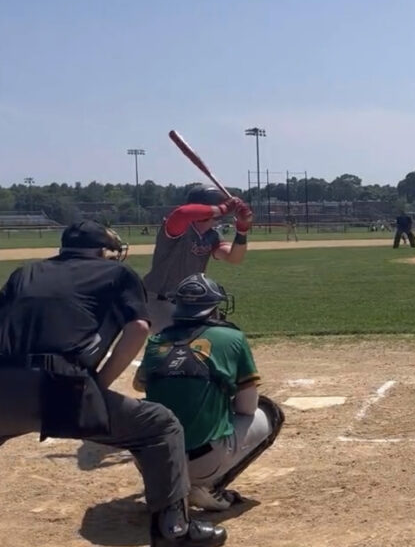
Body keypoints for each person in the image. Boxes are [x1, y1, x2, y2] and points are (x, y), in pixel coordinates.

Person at [0, 221, 227, 547]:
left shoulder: (25, 273)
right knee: (160, 427)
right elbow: (137, 328)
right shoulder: (117, 275)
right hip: (62, 389)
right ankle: (173, 530)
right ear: (101, 250)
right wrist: (98, 384)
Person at [134, 273, 284, 512]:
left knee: (150, 408)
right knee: (268, 411)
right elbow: (246, 408)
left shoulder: (156, 341)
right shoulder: (231, 337)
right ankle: (211, 487)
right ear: (212, 308)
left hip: (154, 463)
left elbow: (140, 385)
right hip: (204, 462)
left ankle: (169, 483)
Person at [142, 184, 253, 333]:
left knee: (211, 338)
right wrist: (223, 208)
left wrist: (242, 230)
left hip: (188, 302)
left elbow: (234, 258)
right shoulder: (180, 227)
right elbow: (182, 213)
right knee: (181, 341)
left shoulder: (212, 235)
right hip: (158, 300)